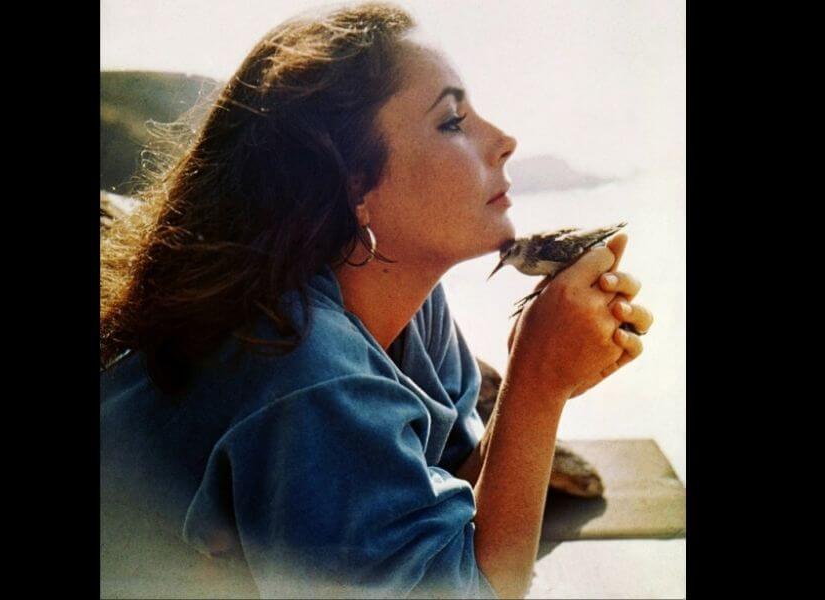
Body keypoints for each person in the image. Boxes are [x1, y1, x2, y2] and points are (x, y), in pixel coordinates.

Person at [99, 2, 654, 598]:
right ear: (355, 184)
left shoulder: (410, 314)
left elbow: (451, 507)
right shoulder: (306, 372)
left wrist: (541, 375)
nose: (504, 140)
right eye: (452, 121)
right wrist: (539, 386)